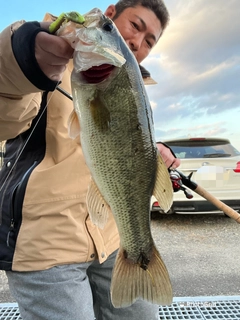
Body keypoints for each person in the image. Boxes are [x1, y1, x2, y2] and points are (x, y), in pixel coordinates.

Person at [0, 1, 180, 319]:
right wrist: (21, 61)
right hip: (45, 241)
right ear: (109, 14)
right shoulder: (44, 56)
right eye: (136, 26)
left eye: (150, 41)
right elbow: (6, 119)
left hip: (112, 237)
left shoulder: (136, 87)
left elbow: (125, 141)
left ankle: (140, 251)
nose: (139, 42)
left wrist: (157, 148)